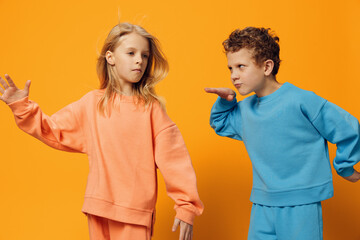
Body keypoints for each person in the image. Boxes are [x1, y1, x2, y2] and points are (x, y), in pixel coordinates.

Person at [0, 22, 203, 240]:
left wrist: (186, 207)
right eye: (131, 52)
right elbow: (52, 129)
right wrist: (21, 106)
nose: (139, 60)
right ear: (110, 57)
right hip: (98, 208)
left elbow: (175, 160)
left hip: (134, 214)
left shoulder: (151, 109)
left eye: (145, 56)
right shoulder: (92, 104)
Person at [205, 27, 360, 240]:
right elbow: (220, 123)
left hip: (301, 203)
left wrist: (344, 167)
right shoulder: (245, 109)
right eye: (231, 68)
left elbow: (346, 128)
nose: (233, 75)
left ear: (267, 66)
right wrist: (226, 100)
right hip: (262, 203)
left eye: (241, 66)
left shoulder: (302, 100)